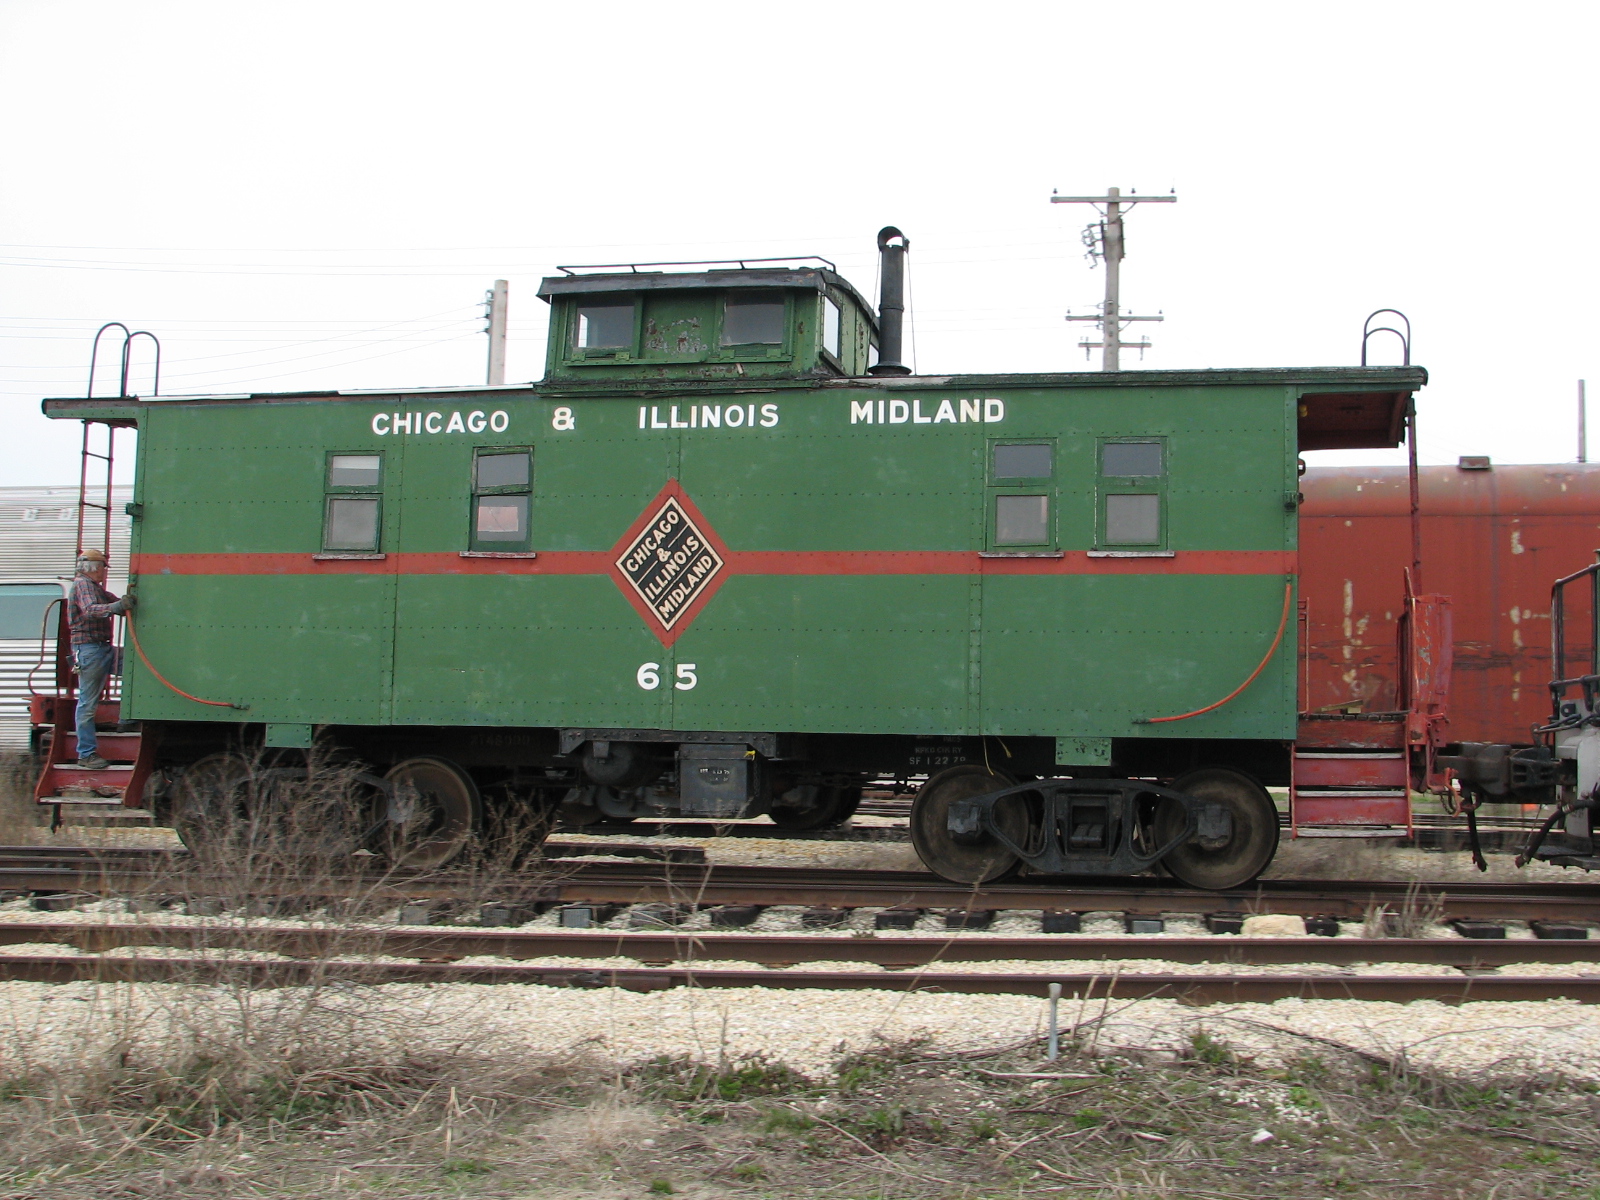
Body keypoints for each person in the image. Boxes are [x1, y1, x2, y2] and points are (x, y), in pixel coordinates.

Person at [67, 549, 134, 770]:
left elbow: (114, 603)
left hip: (100, 648)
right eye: (103, 567)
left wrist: (125, 604)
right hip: (90, 649)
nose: (104, 572)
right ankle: (86, 754)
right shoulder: (83, 585)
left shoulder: (94, 587)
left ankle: (128, 717)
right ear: (93, 567)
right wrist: (116, 608)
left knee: (134, 666)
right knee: (88, 702)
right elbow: (91, 609)